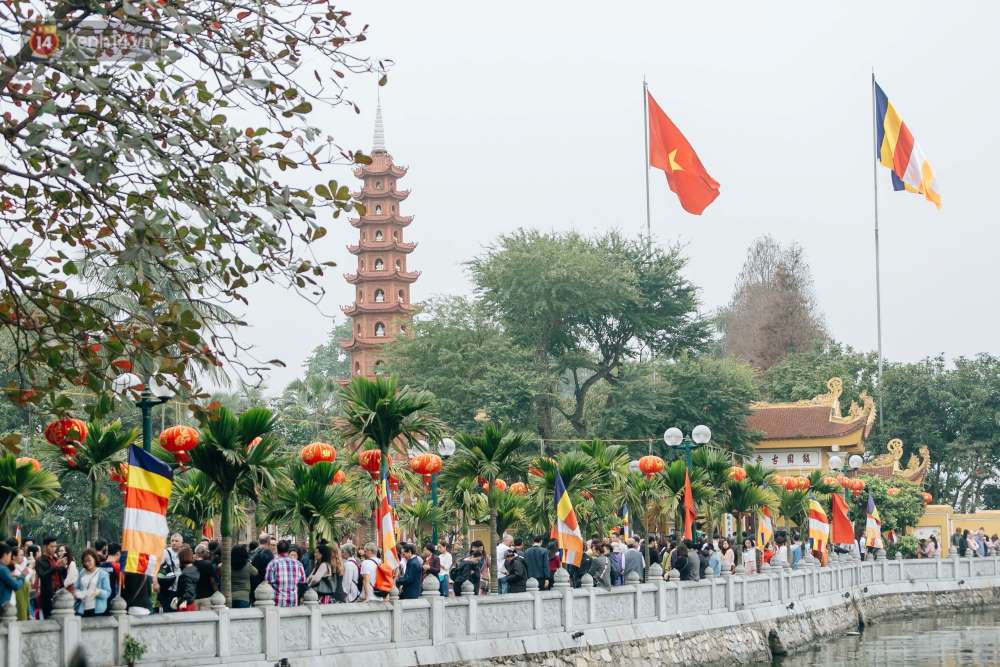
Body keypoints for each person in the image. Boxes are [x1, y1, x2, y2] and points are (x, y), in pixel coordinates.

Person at [264, 540, 307, 607]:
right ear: (288, 550)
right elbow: (302, 581)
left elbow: (268, 582)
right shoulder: (298, 564)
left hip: (278, 602)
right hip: (293, 602)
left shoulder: (272, 563)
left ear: (277, 550)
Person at [35, 536, 66, 618]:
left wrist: (64, 567)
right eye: (52, 546)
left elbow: (61, 575)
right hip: (48, 596)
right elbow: (43, 575)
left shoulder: (55, 558)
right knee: (49, 619)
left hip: (59, 592)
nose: (54, 549)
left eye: (55, 546)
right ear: (45, 547)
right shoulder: (40, 561)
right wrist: (55, 566)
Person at [74, 549, 111, 616]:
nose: (87, 563)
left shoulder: (103, 574)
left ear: (95, 559)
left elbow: (108, 592)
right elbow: (76, 588)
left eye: (89, 560)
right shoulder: (82, 572)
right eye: (85, 561)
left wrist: (99, 592)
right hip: (82, 608)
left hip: (97, 609)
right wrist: (78, 594)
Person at [155, 533, 183, 613]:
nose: (174, 543)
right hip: (168, 587)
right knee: (169, 610)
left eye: (176, 541)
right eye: (172, 541)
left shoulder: (183, 552)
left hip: (179, 588)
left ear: (181, 543)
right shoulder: (165, 552)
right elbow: (157, 566)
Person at [230, 544, 257, 609]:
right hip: (243, 597)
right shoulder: (247, 565)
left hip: (230, 596)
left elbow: (219, 567)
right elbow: (256, 572)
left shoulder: (228, 565)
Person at [0, 544, 25, 609]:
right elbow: (15, 585)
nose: (10, 558)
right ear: (5, 555)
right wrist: (22, 576)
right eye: (10, 556)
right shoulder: (3, 569)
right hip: (3, 605)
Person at [173, 547, 199, 612]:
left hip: (186, 605)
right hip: (193, 603)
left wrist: (180, 602)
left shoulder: (185, 574)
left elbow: (188, 592)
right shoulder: (195, 569)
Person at [249, 533, 274, 599]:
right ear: (268, 541)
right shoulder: (268, 553)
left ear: (258, 541)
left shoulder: (252, 553)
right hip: (265, 588)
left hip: (253, 586)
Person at [193, 544, 217, 609]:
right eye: (207, 551)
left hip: (194, 598)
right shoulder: (208, 564)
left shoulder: (191, 565)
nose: (208, 553)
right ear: (202, 552)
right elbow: (212, 581)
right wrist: (216, 592)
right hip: (207, 597)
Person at [11, 547, 33, 620]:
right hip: (17, 600)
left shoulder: (19, 568)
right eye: (21, 555)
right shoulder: (12, 569)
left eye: (23, 555)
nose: (23, 558)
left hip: (24, 599)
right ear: (14, 556)